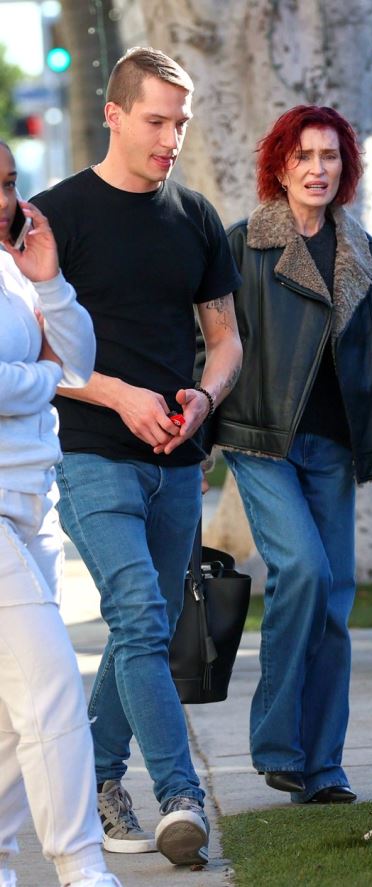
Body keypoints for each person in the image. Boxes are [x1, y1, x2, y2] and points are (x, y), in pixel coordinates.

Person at [32, 47, 242, 867]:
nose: (171, 138)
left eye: (180, 122)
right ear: (114, 114)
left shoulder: (195, 217)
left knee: (138, 628)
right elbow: (35, 353)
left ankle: (96, 776)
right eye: (156, 120)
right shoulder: (56, 217)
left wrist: (204, 399)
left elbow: (224, 340)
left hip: (178, 463)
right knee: (140, 615)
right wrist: (120, 395)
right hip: (90, 452)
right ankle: (182, 798)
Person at [212, 106, 372, 804]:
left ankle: (323, 766)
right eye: (304, 156)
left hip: (335, 447)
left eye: (330, 156)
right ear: (280, 167)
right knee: (304, 571)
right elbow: (210, 343)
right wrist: (193, 427)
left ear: (346, 167)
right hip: (260, 439)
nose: (318, 168)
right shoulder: (244, 245)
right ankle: (279, 745)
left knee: (335, 600)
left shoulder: (361, 250)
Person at [0, 142, 121, 887]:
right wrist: (42, 375)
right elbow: (48, 376)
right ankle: (83, 866)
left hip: (31, 494)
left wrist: (48, 280)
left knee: (11, 712)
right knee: (51, 683)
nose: (4, 201)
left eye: (9, 183)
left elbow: (76, 360)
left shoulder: (17, 268)